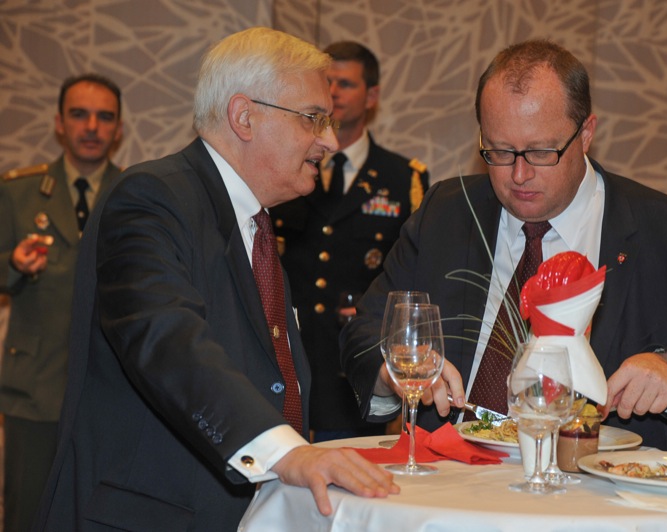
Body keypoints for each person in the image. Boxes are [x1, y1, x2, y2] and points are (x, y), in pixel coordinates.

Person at [34, 27, 397, 531]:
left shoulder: (257, 222)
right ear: (244, 116)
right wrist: (285, 453)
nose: (330, 141)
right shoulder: (152, 197)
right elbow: (167, 340)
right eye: (314, 118)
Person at [340, 39, 667, 452]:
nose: (519, 175)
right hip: (454, 477)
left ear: (586, 134)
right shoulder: (446, 212)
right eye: (499, 151)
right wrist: (395, 367)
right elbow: (367, 329)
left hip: (598, 489)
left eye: (541, 152)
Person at [270, 41, 429, 442]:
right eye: (327, 82)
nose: (334, 92)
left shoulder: (402, 179)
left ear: (372, 96)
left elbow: (411, 278)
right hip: (285, 360)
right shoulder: (285, 168)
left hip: (350, 374)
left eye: (346, 83)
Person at [0, 72, 123, 532]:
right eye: (79, 114)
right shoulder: (17, 191)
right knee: (27, 514)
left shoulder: (137, 193)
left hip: (111, 391)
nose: (91, 126)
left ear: (119, 129)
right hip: (35, 389)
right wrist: (13, 264)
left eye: (104, 117)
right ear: (58, 123)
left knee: (100, 517)